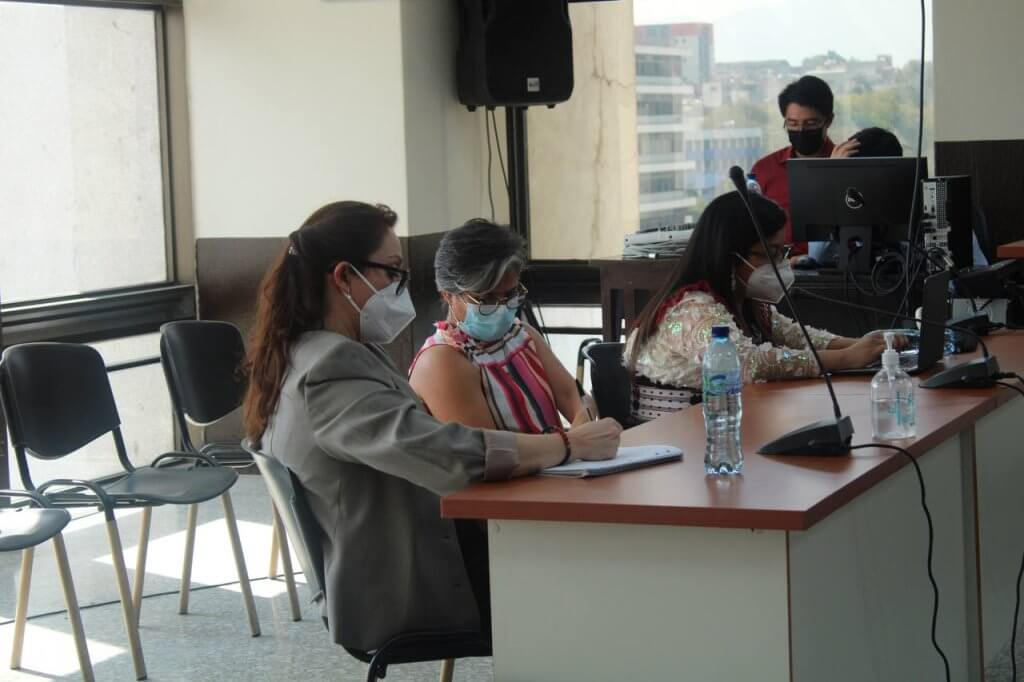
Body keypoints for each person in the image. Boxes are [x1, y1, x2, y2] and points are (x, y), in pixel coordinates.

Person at [242, 201, 621, 653]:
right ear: (344, 277)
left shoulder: (311, 353)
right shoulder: (331, 368)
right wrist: (566, 445)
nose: (401, 288)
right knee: (607, 580)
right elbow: (452, 455)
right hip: (408, 585)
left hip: (408, 557)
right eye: (392, 273)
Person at [624, 191, 889, 423]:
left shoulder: (744, 302)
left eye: (781, 252)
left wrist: (870, 345)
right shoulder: (693, 309)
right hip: (679, 442)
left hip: (725, 428)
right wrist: (847, 358)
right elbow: (745, 364)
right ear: (731, 255)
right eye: (770, 253)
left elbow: (798, 337)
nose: (780, 263)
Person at [409, 219, 594, 433]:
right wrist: (574, 443)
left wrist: (585, 422)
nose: (501, 307)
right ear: (448, 295)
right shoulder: (441, 362)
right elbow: (492, 452)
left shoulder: (520, 335)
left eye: (510, 295)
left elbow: (573, 396)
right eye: (486, 299)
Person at [751, 75, 846, 255]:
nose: (801, 131)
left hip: (835, 272)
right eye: (792, 124)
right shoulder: (764, 170)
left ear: (829, 120)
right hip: (779, 271)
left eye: (811, 123)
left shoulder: (849, 166)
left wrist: (836, 172)